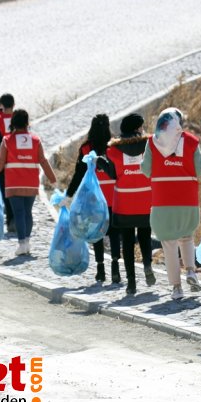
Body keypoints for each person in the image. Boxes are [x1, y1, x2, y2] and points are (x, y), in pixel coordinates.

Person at [141, 108, 201, 300]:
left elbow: (146, 170)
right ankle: (192, 272)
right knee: (187, 237)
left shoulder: (153, 142)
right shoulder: (192, 141)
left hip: (162, 200)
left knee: (169, 244)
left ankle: (177, 288)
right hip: (187, 198)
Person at [0, 109, 57, 256]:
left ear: (13, 123)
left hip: (13, 184)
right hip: (30, 183)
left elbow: (0, 163)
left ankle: (22, 243)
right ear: (27, 122)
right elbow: (43, 160)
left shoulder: (7, 140)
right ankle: (27, 243)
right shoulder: (35, 140)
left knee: (18, 213)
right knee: (28, 212)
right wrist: (53, 179)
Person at [66, 114, 121, 284]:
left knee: (96, 233)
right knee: (113, 233)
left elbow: (78, 173)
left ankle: (100, 270)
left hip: (93, 200)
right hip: (114, 196)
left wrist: (69, 195)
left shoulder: (86, 148)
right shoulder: (115, 146)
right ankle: (115, 269)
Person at [104, 113, 155, 295]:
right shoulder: (149, 146)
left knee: (127, 240)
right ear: (136, 128)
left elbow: (113, 175)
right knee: (145, 235)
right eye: (141, 126)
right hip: (145, 199)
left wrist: (102, 165)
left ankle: (131, 282)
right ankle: (148, 264)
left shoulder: (112, 150)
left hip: (124, 201)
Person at [0, 93, 15, 232]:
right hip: (17, 161)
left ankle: (10, 220)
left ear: (1, 105)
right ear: (14, 104)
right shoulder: (20, 118)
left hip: (2, 161)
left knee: (5, 191)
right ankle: (19, 220)